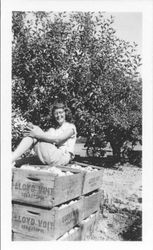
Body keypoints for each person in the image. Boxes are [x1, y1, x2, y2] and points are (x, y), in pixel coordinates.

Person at [12, 101, 77, 167]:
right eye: (56, 113)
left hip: (62, 157)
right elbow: (43, 136)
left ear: (65, 113)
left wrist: (36, 133)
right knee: (19, 161)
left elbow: (58, 139)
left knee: (35, 134)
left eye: (61, 112)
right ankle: (11, 159)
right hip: (51, 155)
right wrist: (33, 130)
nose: (58, 115)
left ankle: (11, 159)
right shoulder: (53, 129)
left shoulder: (71, 127)